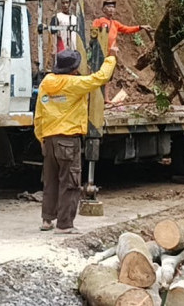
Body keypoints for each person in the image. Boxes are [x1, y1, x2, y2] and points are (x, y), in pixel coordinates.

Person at [34, 47, 117, 234]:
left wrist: (41, 137)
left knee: (51, 181)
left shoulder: (46, 83)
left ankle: (47, 220)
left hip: (48, 139)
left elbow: (38, 114)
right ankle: (64, 225)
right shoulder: (73, 84)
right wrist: (110, 57)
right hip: (68, 141)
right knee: (69, 183)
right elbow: (100, 78)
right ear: (72, 70)